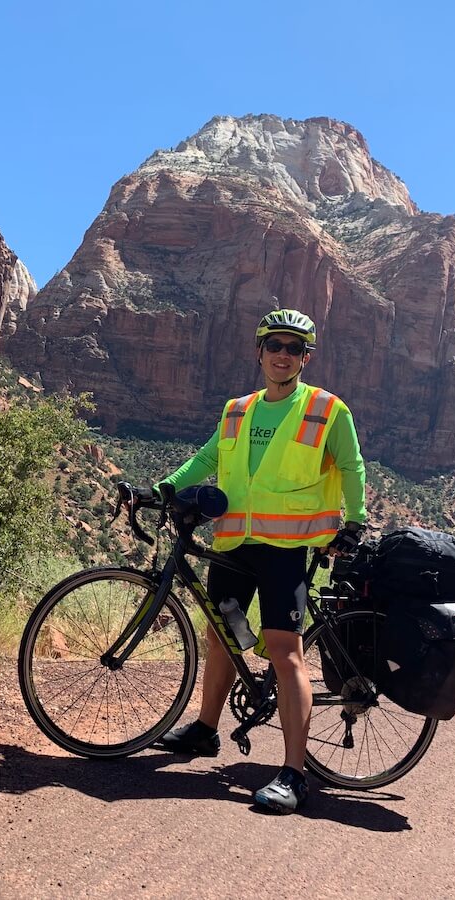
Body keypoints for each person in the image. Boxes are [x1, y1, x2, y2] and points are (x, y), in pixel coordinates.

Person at [150, 308, 367, 814]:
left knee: (283, 650)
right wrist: (165, 487)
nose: (284, 355)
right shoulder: (237, 409)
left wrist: (352, 521)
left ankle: (294, 773)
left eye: (295, 348)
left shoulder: (326, 409)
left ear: (306, 357)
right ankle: (205, 730)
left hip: (286, 547)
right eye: (276, 345)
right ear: (259, 350)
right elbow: (208, 458)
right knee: (219, 633)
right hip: (234, 542)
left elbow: (353, 465)